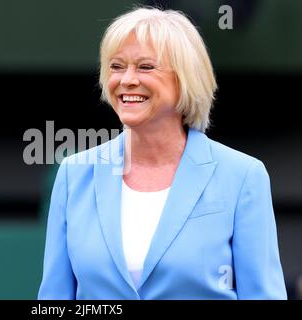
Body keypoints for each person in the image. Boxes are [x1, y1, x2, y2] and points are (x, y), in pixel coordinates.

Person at [38, 7, 287, 299]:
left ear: (185, 78)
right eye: (117, 67)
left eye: (145, 67)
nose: (127, 79)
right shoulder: (74, 174)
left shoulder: (243, 176)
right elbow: (54, 300)